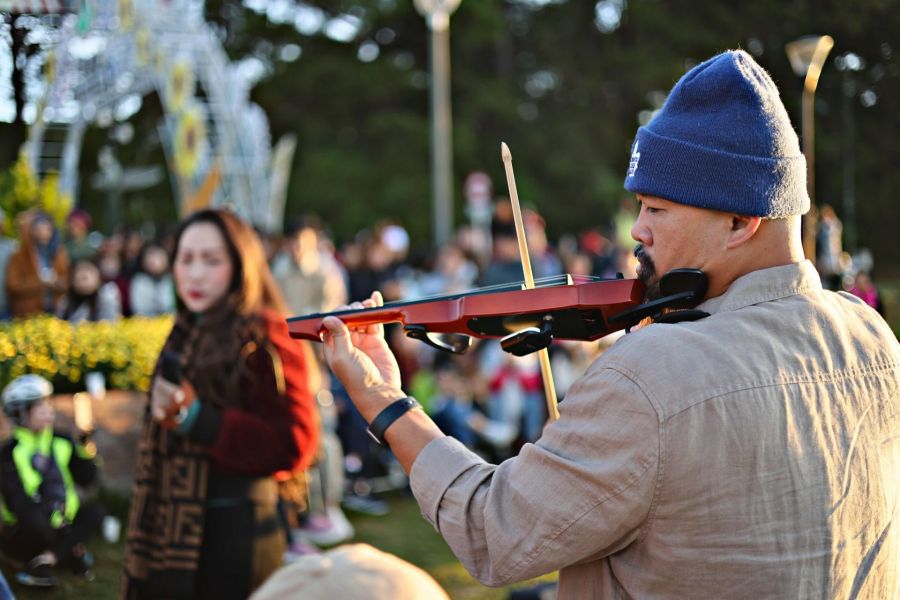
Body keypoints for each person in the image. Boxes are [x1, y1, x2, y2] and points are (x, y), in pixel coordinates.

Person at [318, 51, 900, 598]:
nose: (637, 231)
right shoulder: (872, 336)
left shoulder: (653, 373)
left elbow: (495, 532)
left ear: (740, 221)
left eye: (657, 208)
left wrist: (384, 399)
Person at [121, 209, 320, 600]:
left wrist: (198, 420)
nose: (195, 273)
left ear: (240, 263)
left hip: (239, 533)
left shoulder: (263, 333)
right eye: (186, 258)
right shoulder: (184, 330)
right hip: (174, 530)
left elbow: (296, 442)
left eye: (211, 260)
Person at [0, 374, 104, 588]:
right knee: (33, 515)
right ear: (20, 413)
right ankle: (68, 553)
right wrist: (61, 531)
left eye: (48, 403)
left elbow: (87, 479)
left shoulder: (62, 441)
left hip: (63, 524)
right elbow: (18, 504)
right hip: (26, 531)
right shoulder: (7, 454)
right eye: (39, 406)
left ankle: (46, 560)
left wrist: (85, 444)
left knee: (97, 512)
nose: (48, 410)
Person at [5, 211, 69, 318]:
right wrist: (41, 282)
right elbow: (13, 286)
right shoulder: (19, 255)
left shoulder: (59, 253)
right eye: (39, 229)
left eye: (47, 229)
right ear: (31, 231)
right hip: (27, 312)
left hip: (54, 310)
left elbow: (67, 280)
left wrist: (57, 283)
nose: (43, 233)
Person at [56, 258, 122, 323]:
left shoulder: (106, 299)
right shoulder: (66, 301)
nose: (84, 275)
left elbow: (109, 327)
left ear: (98, 277)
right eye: (79, 271)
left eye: (89, 270)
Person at [128, 241, 175, 317]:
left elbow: (170, 306)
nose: (153, 260)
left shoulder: (171, 280)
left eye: (157, 255)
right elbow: (141, 311)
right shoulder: (139, 281)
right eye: (149, 255)